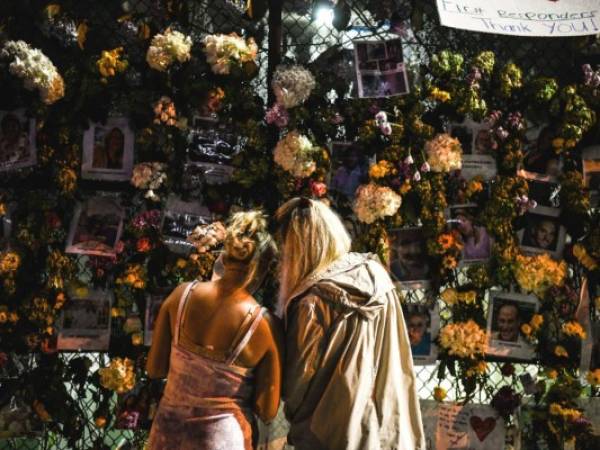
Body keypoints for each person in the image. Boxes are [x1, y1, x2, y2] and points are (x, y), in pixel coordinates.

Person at [275, 197, 425, 450]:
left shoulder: (312, 302)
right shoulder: (376, 277)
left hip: (332, 435)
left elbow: (297, 383)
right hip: (390, 429)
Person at [146, 211, 283, 450]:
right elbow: (267, 409)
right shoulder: (263, 325)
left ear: (225, 256)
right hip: (224, 439)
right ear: (260, 268)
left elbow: (155, 369)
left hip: (169, 434)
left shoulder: (182, 295)